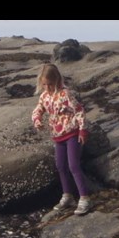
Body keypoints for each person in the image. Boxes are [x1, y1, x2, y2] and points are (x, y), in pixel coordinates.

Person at [32, 63, 94, 215]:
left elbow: (79, 110)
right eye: (44, 84)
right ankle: (67, 196)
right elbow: (37, 110)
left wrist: (82, 130)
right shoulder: (44, 96)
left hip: (72, 133)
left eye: (50, 84)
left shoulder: (65, 94)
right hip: (57, 136)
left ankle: (85, 198)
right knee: (60, 166)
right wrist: (37, 120)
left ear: (57, 80)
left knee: (73, 165)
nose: (47, 87)